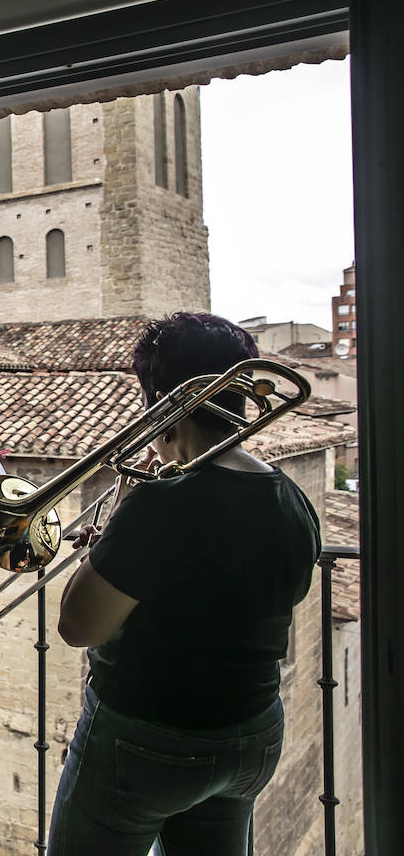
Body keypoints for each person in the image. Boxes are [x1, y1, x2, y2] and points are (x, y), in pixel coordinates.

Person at [47, 312, 321, 855]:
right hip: (252, 734)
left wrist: (113, 536)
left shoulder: (160, 505)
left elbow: (79, 627)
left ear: (162, 405)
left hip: (146, 739)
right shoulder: (293, 501)